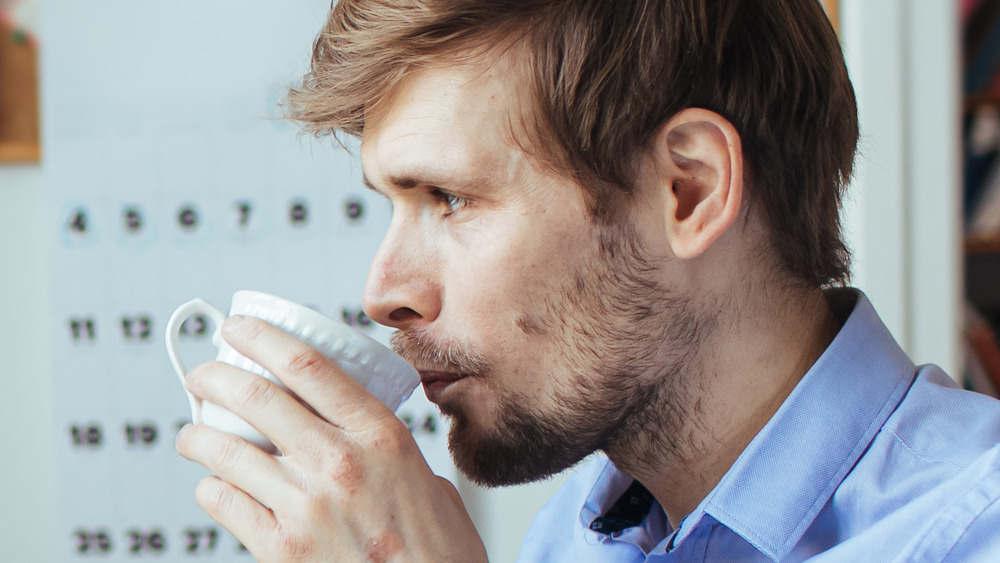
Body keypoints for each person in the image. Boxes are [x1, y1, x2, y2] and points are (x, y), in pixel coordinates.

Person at [174, 0, 1000, 561]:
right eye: (392, 204)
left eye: (450, 198)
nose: (384, 288)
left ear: (690, 190)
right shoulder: (571, 536)